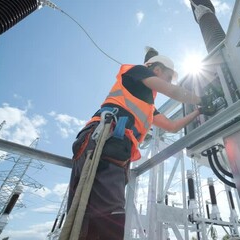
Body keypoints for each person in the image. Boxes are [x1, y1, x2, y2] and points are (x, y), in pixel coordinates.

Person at [67, 48, 217, 239]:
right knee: (108, 219)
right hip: (104, 142)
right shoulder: (137, 71)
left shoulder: (146, 104)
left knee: (86, 221)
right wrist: (201, 98)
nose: (169, 82)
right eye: (169, 77)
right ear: (157, 71)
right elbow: (173, 92)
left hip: (103, 147)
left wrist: (198, 111)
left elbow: (171, 126)